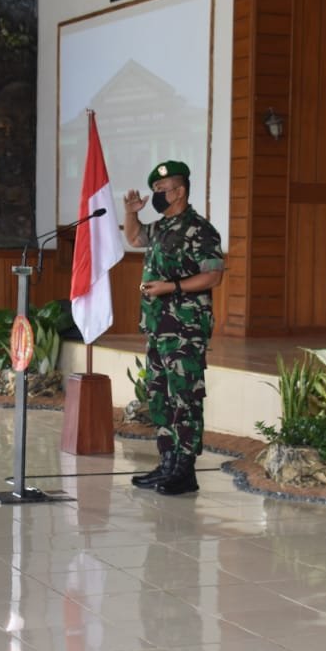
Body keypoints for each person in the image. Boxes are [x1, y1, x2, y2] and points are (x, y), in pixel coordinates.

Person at [122, 160, 224, 496]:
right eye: (154, 192)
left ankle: (185, 469)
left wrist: (172, 288)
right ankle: (167, 462)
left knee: (185, 396)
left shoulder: (200, 229)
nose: (157, 197)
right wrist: (131, 212)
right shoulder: (162, 227)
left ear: (179, 191)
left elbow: (213, 275)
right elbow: (135, 237)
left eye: (162, 191)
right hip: (157, 326)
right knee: (161, 397)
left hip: (185, 328)